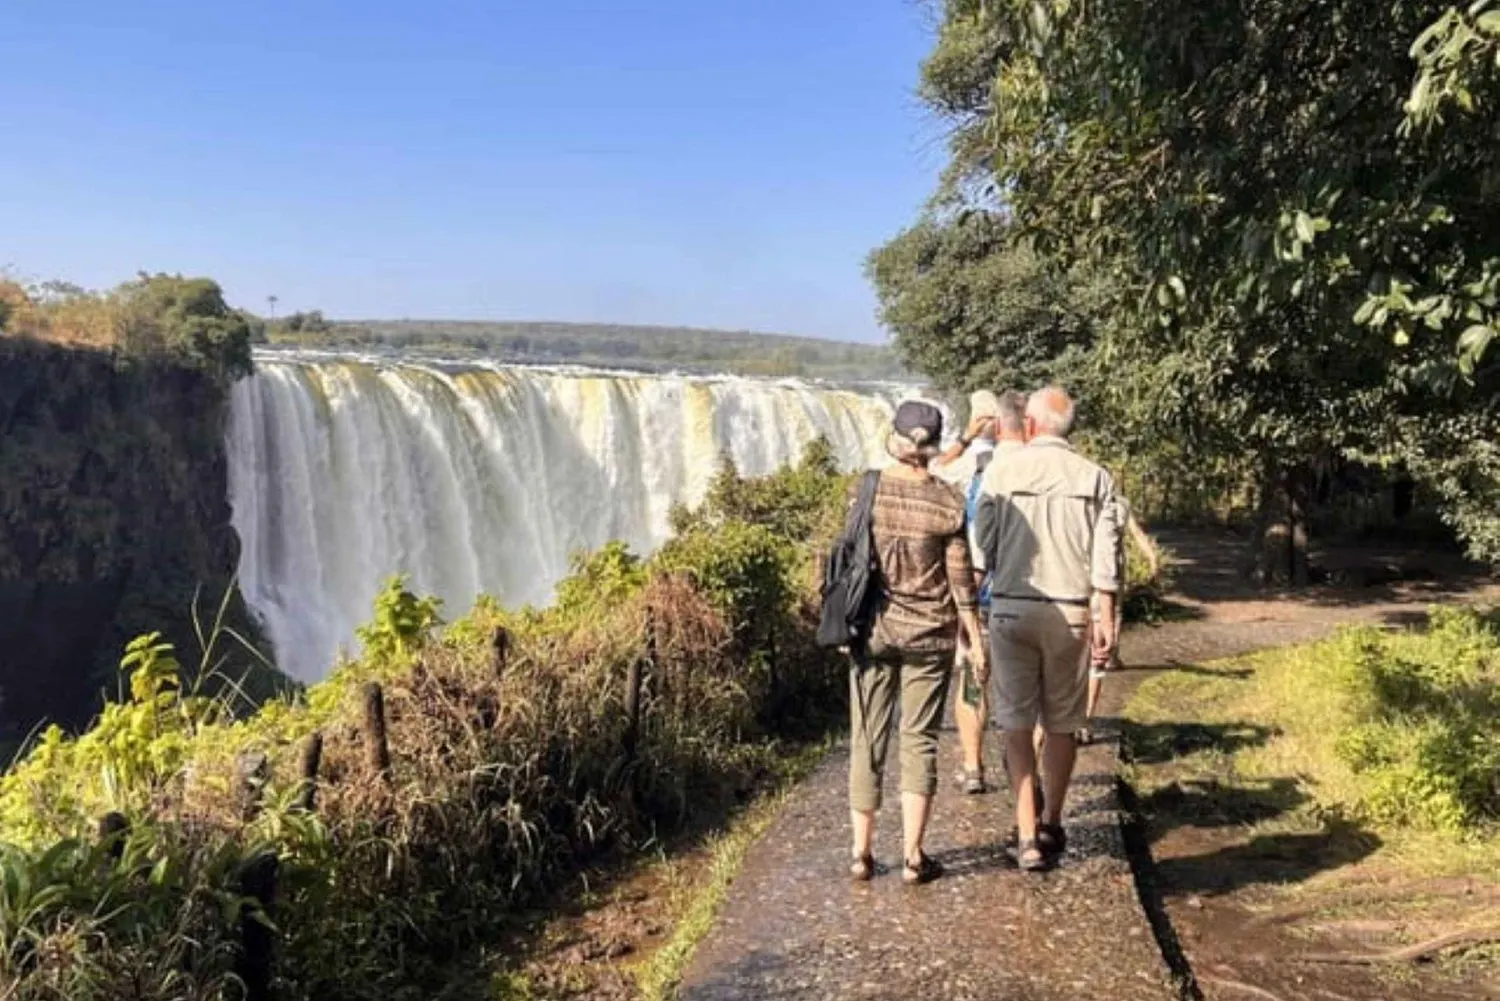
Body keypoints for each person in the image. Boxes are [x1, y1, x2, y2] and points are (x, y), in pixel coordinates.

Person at [975, 387, 1121, 872]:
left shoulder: (1001, 472)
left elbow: (983, 548)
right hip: (1073, 611)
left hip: (1012, 608)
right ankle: (1053, 821)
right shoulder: (1095, 477)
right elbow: (1107, 556)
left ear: (1031, 426)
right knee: (1062, 721)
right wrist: (1106, 613)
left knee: (1014, 723)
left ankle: (1025, 838)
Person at [848, 399, 988, 885]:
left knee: (868, 737)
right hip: (930, 634)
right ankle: (912, 855)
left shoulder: (869, 492)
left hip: (875, 631)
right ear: (930, 448)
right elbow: (960, 579)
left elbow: (852, 562)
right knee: (919, 740)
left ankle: (861, 853)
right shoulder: (947, 501)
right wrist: (973, 634)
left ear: (897, 440)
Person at [936, 390, 1028, 794]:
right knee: (1025, 687)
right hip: (1031, 595)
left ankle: (974, 767)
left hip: (981, 595)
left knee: (973, 679)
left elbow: (931, 470)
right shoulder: (1039, 463)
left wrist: (964, 437)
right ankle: (1024, 771)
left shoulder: (974, 463)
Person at [1076, 495, 1159, 745]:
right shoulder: (1119, 504)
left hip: (1083, 579)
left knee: (1085, 644)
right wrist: (1152, 558)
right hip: (1107, 578)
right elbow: (1136, 534)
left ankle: (1078, 717)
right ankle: (1085, 719)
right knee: (1105, 631)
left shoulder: (1083, 500)